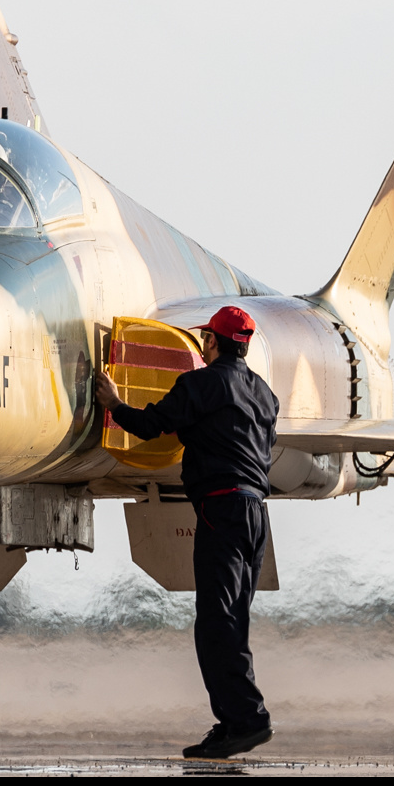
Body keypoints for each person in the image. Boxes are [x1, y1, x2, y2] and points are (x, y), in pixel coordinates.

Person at [93, 305, 280, 759]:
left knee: (217, 622)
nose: (202, 346)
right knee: (232, 620)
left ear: (213, 343)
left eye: (205, 340)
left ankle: (247, 720)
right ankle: (234, 721)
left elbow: (152, 426)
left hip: (222, 508)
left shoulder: (201, 384)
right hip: (256, 513)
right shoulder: (264, 394)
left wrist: (114, 404)